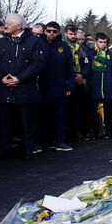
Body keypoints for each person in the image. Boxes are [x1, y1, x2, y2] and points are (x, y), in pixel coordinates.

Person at [0, 14, 45, 159]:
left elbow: (37, 63)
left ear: (19, 26)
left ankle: (28, 149)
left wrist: (19, 78)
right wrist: (2, 78)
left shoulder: (34, 41)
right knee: (4, 122)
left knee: (27, 122)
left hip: (25, 89)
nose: (5, 26)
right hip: (5, 88)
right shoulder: (1, 42)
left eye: (8, 23)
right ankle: (4, 148)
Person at [39, 22, 74, 150]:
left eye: (54, 31)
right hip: (42, 86)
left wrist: (70, 86)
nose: (51, 33)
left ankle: (61, 141)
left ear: (59, 32)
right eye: (49, 31)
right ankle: (43, 143)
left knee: (60, 116)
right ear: (45, 32)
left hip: (60, 87)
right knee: (42, 117)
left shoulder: (64, 47)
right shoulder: (38, 45)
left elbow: (70, 68)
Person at [86, 32, 112, 138]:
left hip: (107, 87)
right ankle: (93, 130)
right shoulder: (90, 53)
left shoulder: (110, 54)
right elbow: (87, 69)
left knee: (108, 110)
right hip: (94, 86)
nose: (103, 44)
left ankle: (107, 129)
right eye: (101, 42)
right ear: (96, 41)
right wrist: (89, 82)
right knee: (92, 111)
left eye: (105, 42)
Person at [63, 24, 90, 141]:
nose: (73, 36)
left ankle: (77, 131)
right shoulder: (62, 46)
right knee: (66, 109)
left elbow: (86, 63)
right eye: (71, 34)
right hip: (67, 81)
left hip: (79, 81)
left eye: (75, 34)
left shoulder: (81, 47)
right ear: (65, 33)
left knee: (78, 109)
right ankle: (66, 134)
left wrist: (82, 75)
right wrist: (71, 76)